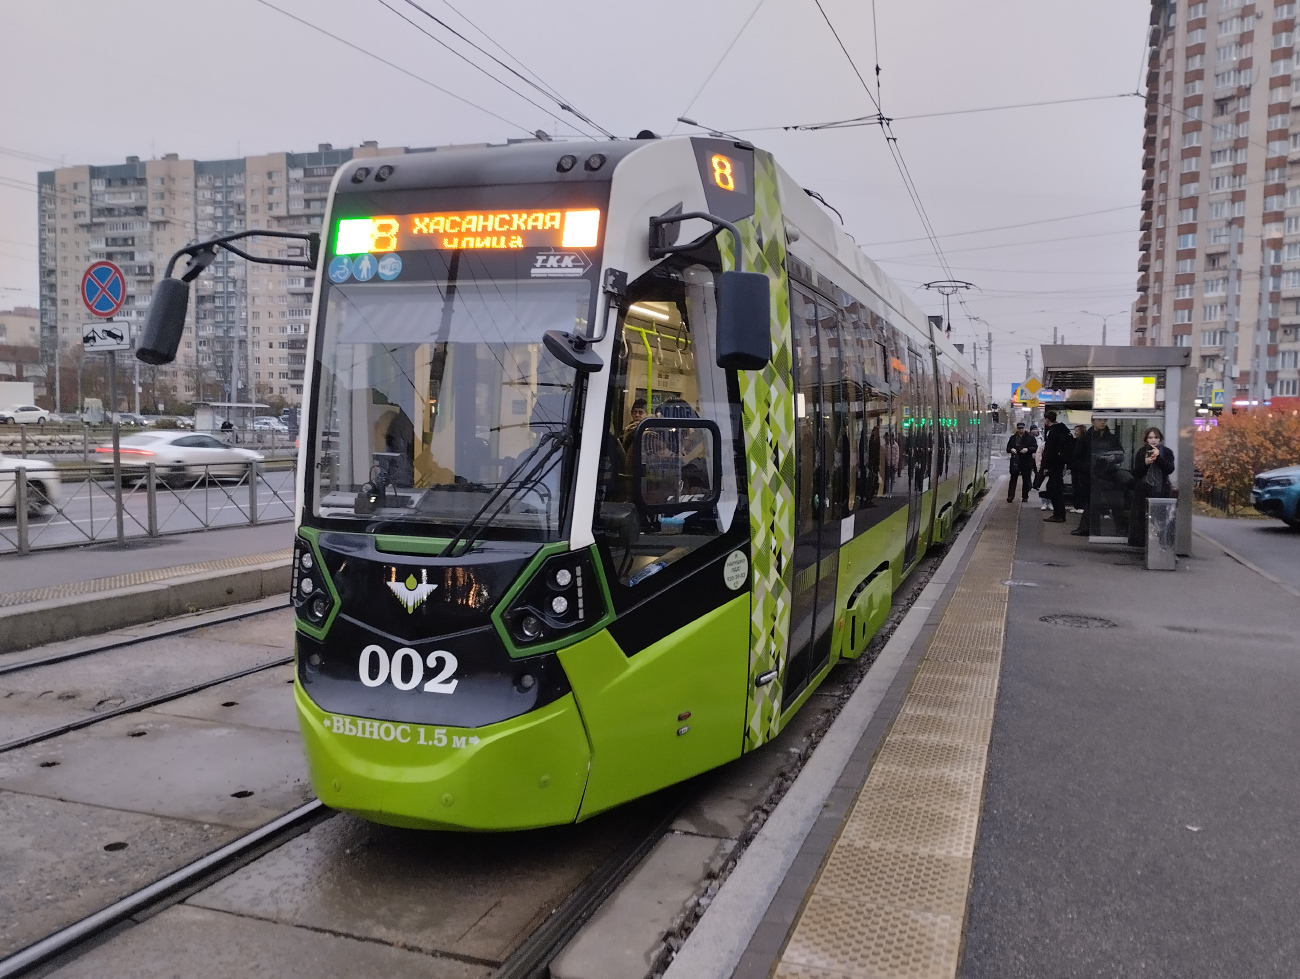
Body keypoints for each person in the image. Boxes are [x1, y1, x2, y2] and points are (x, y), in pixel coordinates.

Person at [1071, 416, 1122, 536]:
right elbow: (1076, 460)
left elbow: (1120, 454)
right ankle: (1091, 529)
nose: (1102, 422)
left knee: (1108, 502)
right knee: (1092, 501)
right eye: (1099, 420)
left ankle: (1118, 529)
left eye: (1104, 420)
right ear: (1093, 421)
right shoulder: (1085, 439)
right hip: (1090, 475)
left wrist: (1113, 458)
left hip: (1107, 474)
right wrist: (1089, 467)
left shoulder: (1112, 438)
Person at [1126, 427, 1175, 547]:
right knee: (1141, 516)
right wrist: (1146, 463)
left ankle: (1159, 542)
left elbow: (1169, 469)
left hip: (1160, 488)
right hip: (1143, 488)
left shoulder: (1166, 452)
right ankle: (1140, 542)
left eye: (1156, 437)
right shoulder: (1142, 452)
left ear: (1160, 439)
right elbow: (1136, 472)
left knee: (1159, 517)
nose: (1153, 440)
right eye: (1150, 437)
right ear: (1146, 439)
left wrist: (1158, 458)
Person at [1038, 410, 1073, 523]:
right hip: (1060, 463)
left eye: (1045, 419)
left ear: (1047, 419)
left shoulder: (1052, 432)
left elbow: (1050, 451)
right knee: (1057, 489)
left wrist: (1045, 466)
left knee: (1053, 490)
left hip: (1053, 465)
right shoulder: (1063, 430)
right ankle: (1060, 514)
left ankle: (1058, 514)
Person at [1005, 422, 1037, 502]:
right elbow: (1008, 448)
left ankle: (1025, 496)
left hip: (1026, 461)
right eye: (1019, 428)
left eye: (1022, 428)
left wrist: (1028, 449)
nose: (1020, 430)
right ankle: (1010, 496)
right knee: (1013, 479)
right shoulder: (1013, 438)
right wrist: (1011, 449)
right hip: (1015, 461)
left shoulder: (1030, 438)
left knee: (1026, 479)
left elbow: (1035, 447)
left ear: (1024, 428)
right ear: (1017, 429)